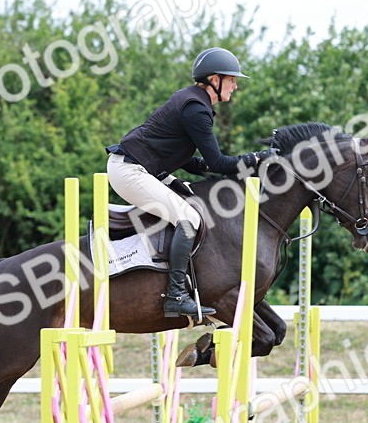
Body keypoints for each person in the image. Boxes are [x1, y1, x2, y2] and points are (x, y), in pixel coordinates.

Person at [105, 47, 275, 318]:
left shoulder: (192, 101)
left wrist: (238, 164)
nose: (236, 85)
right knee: (189, 219)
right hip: (131, 171)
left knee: (191, 200)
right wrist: (256, 158)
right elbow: (218, 163)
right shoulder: (196, 109)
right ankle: (175, 295)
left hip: (144, 168)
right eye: (232, 79)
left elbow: (189, 160)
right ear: (214, 80)